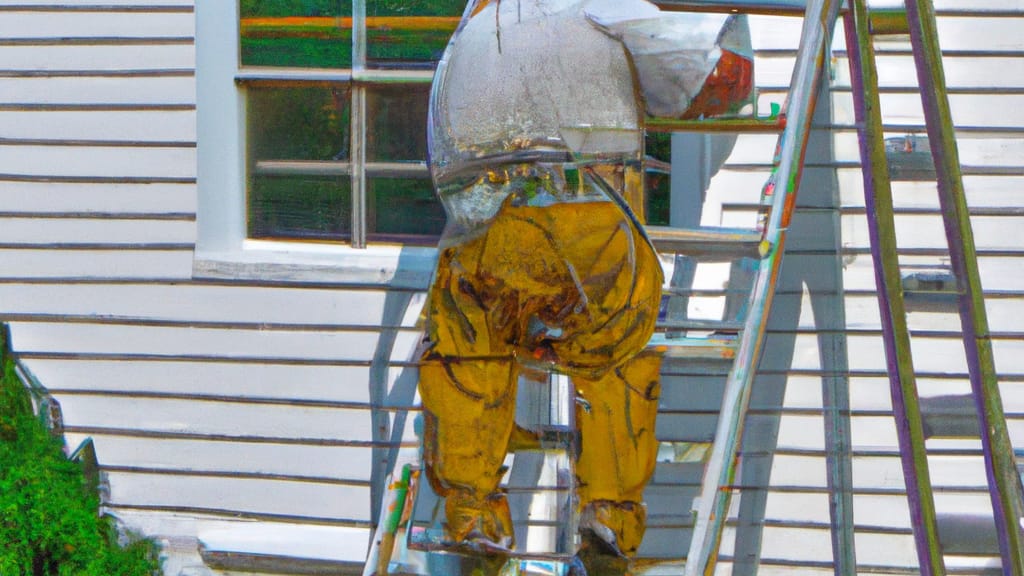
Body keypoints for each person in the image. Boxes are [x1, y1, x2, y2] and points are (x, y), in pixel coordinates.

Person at [419, 0, 753, 563]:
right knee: (616, 344)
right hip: (580, 206)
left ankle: (472, 514)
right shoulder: (601, 5)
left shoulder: (471, 29)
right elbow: (716, 72)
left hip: (475, 219)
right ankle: (608, 516)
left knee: (465, 350)